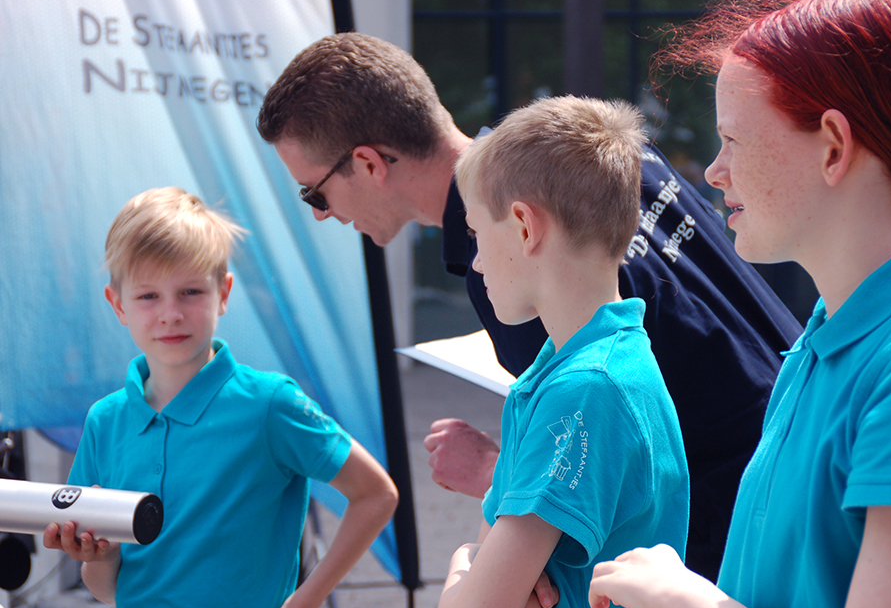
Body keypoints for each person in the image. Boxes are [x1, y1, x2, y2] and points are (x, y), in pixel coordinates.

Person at [257, 33, 803, 580]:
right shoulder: (581, 149)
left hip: (735, 537)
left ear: (369, 163)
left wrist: (501, 482)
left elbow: (595, 434)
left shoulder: (510, 265)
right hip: (799, 452)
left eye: (314, 194)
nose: (321, 216)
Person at [588, 0, 891, 608]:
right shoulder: (829, 335)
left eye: (734, 139)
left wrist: (688, 602)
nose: (715, 170)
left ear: (832, 148)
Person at [43, 187, 399, 608]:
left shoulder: (271, 404)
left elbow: (376, 494)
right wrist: (100, 557)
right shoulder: (105, 421)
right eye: (148, 296)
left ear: (224, 293)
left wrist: (305, 599)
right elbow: (107, 590)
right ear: (117, 305)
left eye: (190, 292)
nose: (171, 313)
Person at [437, 95, 689, 608]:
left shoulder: (585, 387)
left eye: (477, 234)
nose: (478, 262)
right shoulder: (582, 366)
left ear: (526, 227)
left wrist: (462, 561)